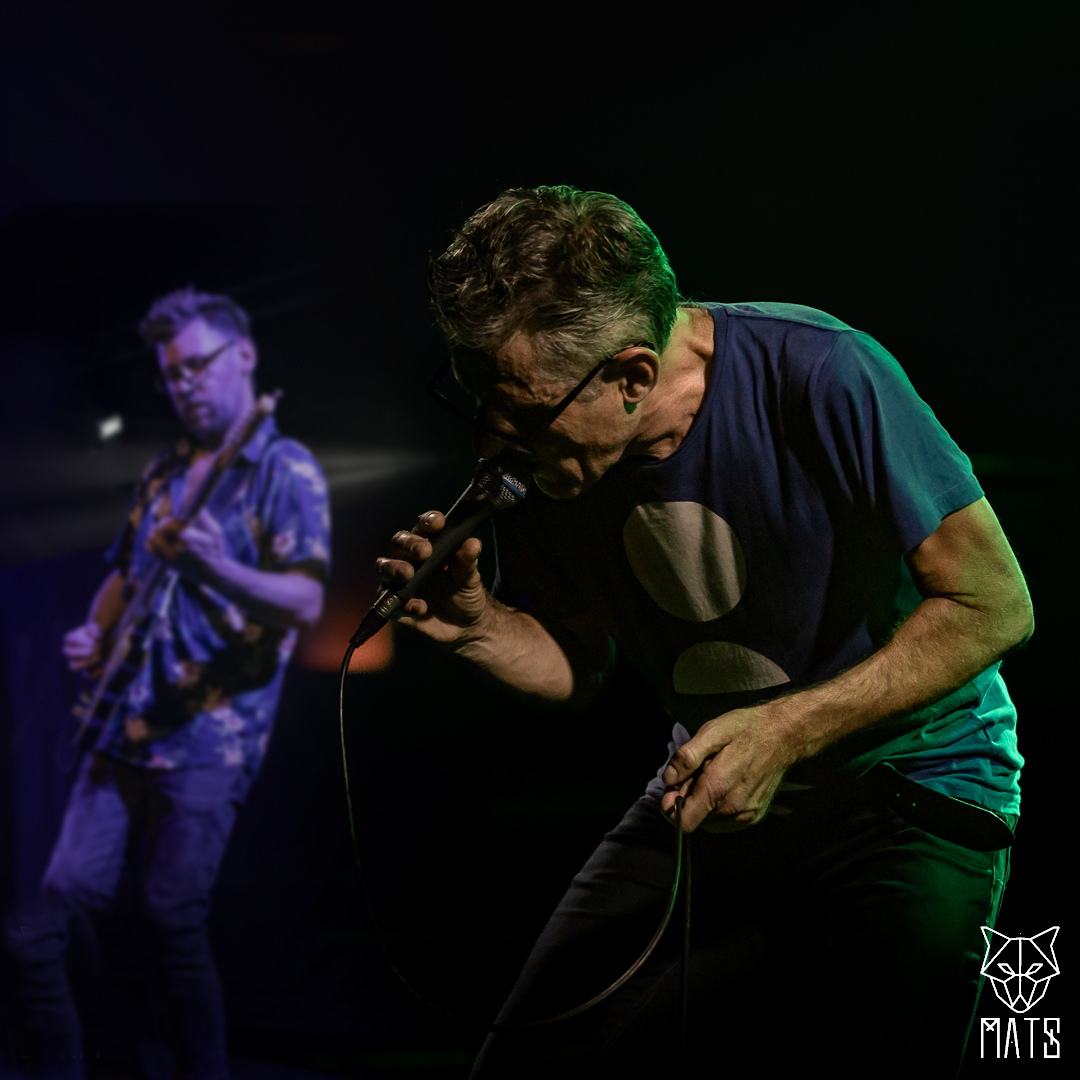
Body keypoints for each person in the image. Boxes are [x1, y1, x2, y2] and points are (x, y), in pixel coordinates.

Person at [378, 186, 1034, 1077]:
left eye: (522, 413)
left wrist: (784, 730)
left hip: (912, 786)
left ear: (633, 376)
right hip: (716, 789)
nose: (495, 439)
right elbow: (579, 666)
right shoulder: (552, 454)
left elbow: (995, 604)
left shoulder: (824, 372)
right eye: (479, 401)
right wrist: (480, 628)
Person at [5, 288, 330, 1080]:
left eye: (196, 366)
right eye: (170, 374)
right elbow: (124, 578)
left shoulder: (285, 468)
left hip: (211, 738)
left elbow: (308, 600)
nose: (182, 384)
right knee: (50, 910)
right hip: (121, 726)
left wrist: (216, 564)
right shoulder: (162, 472)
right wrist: (93, 632)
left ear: (243, 357)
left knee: (170, 916)